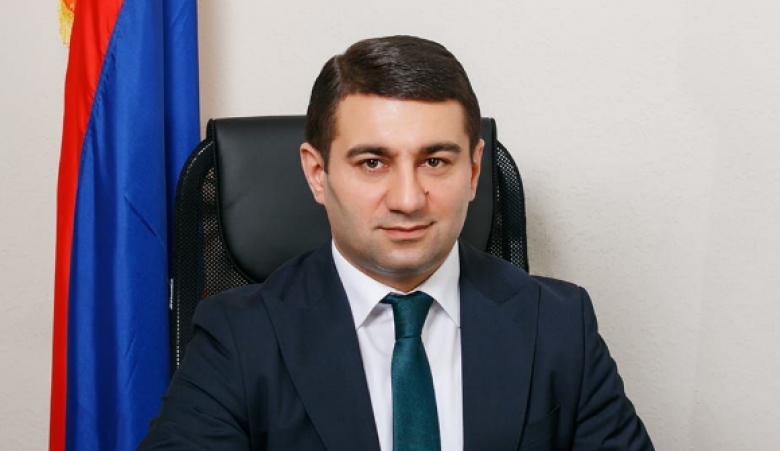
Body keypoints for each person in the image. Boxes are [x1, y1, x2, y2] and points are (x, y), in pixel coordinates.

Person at [138, 35, 653, 450]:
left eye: (435, 161)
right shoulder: (238, 337)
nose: (408, 199)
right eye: (372, 163)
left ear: (474, 171)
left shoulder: (561, 325)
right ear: (317, 174)